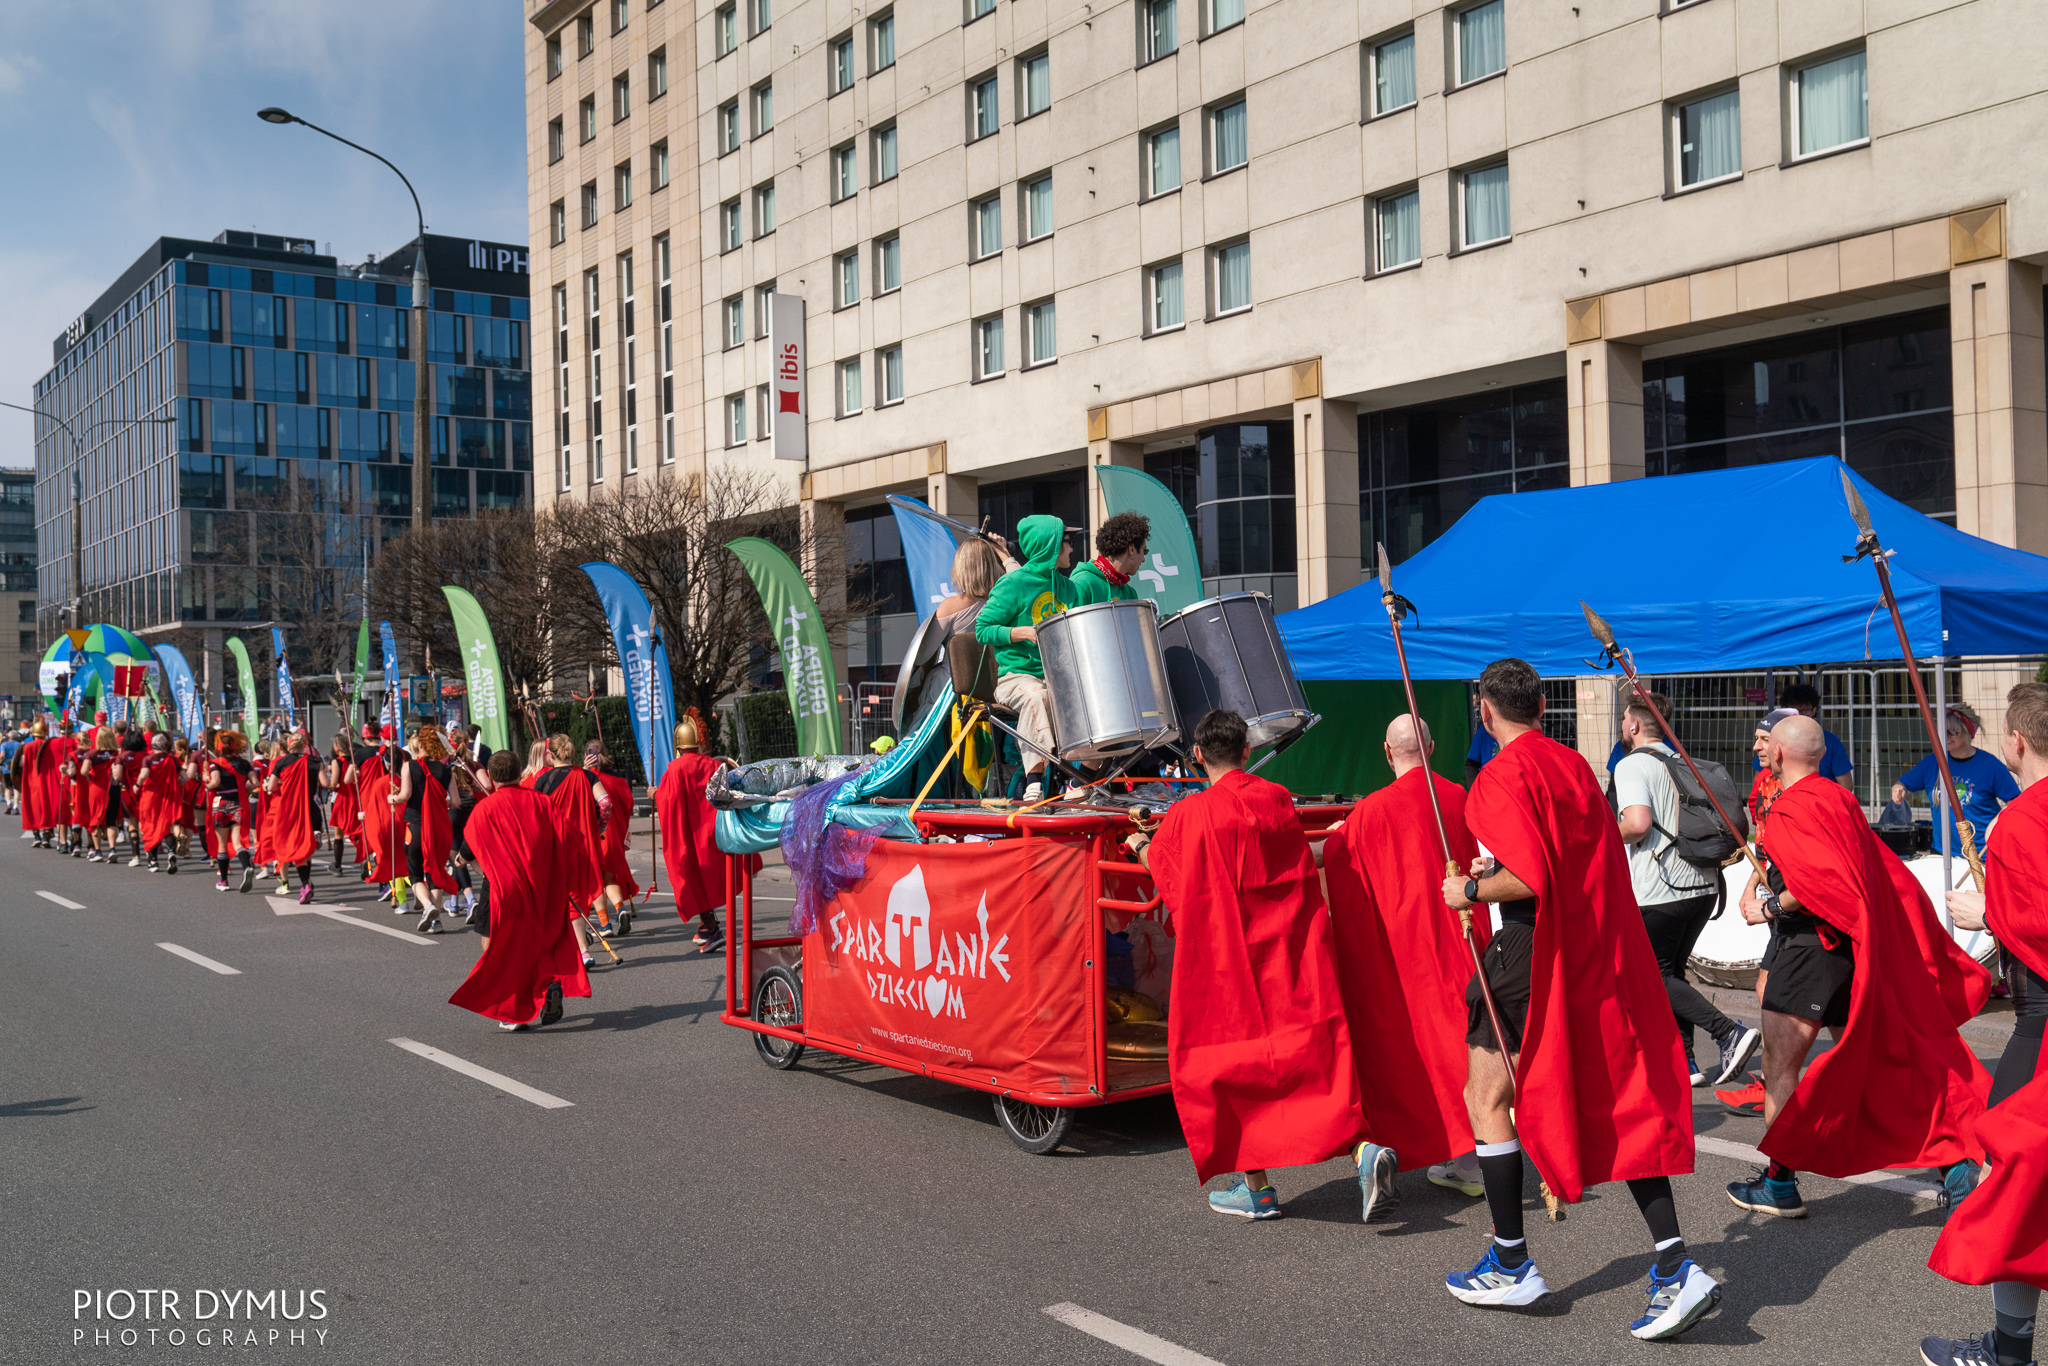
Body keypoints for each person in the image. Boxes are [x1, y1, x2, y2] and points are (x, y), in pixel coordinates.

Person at [1438, 657, 1715, 1341]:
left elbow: (1533, 877)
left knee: (1485, 1096)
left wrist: (1469, 889)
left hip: (1532, 944)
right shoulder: (1575, 766)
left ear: (1485, 712)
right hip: (1591, 941)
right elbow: (1564, 857)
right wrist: (1496, 869)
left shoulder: (1498, 774)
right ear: (1541, 707)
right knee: (1615, 1094)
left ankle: (1511, 1260)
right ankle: (1674, 1263)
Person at [1727, 713, 1991, 1220]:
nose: (1760, 751)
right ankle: (1955, 1167)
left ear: (1779, 753)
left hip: (1809, 948)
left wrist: (1770, 907)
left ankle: (1779, 1183)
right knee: (1876, 1063)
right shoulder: (1840, 797)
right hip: (1852, 950)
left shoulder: (1791, 807)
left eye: (1766, 745)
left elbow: (1817, 883)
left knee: (1779, 1069)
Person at [1127, 708, 1366, 1221]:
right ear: (1247, 751)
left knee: (1228, 1065)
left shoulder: (1189, 814)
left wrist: (1140, 843)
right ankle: (1361, 1149)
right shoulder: (1276, 798)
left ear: (1197, 756)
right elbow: (1298, 861)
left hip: (1225, 963)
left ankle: (1257, 1189)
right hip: (1287, 952)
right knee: (1315, 1055)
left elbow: (1167, 874)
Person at [1920, 683, 2048, 1366]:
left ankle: (2010, 1351)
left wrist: (1989, 911)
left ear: (2015, 743)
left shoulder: (2022, 820)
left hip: (2041, 1028)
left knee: (2012, 1183)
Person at [1322, 715, 1487, 1214]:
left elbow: (1338, 863)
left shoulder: (1371, 810)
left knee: (1421, 1051)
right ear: (1432, 748)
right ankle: (1474, 1159)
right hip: (1464, 936)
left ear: (1387, 752)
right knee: (1468, 1042)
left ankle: (1442, 1152)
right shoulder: (1459, 797)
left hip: (1407, 949)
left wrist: (1337, 838)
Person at [1613, 691, 1761, 1088]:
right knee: (1672, 974)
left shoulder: (1632, 765)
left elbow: (1637, 823)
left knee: (1652, 976)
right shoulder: (1683, 761)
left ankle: (1728, 1032)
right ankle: (1687, 1061)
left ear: (1634, 725)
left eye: (1624, 718)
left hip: (1661, 888)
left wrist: (1604, 832)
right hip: (1705, 886)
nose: (1622, 724)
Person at [447, 749, 591, 1031]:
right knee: (540, 940)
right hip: (541, 884)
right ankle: (547, 984)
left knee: (497, 946)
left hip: (503, 887)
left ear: (491, 777)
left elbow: (470, 844)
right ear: (519, 773)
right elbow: (569, 837)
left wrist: (460, 859)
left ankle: (512, 1010)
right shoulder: (542, 801)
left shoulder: (485, 808)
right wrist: (561, 874)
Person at [973, 514, 1076, 803]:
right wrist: (1021, 633)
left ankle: (1086, 779)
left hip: (1057, 678)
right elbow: (982, 629)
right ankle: (1034, 783)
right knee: (1036, 695)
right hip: (1016, 677)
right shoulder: (1012, 584)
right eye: (1067, 541)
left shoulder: (1070, 588)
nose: (1072, 548)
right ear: (1049, 546)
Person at [656, 710, 750, 952]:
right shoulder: (714, 765)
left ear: (678, 744)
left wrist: (655, 793)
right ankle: (706, 927)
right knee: (706, 879)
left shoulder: (674, 770)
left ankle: (712, 929)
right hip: (715, 833)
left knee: (691, 879)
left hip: (689, 835)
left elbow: (668, 801)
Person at [1893, 703, 2019, 858]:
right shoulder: (1932, 763)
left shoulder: (1990, 766)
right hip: (1942, 851)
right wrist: (1899, 790)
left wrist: (1997, 823)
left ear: (1967, 732)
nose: (1946, 736)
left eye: (1952, 732)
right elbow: (1904, 784)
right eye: (1943, 732)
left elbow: (2015, 802)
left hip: (1981, 853)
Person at [532, 732, 605, 963]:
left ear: (550, 755)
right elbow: (605, 803)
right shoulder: (587, 776)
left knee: (558, 898)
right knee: (577, 895)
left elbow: (535, 815)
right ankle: (578, 946)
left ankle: (581, 950)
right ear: (572, 752)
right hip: (583, 844)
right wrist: (600, 827)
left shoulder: (543, 780)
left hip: (555, 846)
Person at [387, 726, 459, 932]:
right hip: (439, 828)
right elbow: (455, 801)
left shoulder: (410, 766)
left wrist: (392, 798)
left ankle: (428, 907)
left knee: (416, 874)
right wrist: (438, 803)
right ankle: (436, 922)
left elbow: (405, 795)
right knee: (435, 873)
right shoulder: (446, 770)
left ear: (420, 744)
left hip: (416, 826)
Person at [585, 740, 640, 935]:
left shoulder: (586, 779)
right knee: (609, 878)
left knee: (595, 881)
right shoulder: (618, 780)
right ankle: (620, 909)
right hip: (614, 835)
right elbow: (628, 805)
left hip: (595, 835)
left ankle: (604, 923)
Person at [263, 732, 320, 904]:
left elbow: (271, 787)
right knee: (306, 847)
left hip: (290, 810)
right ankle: (306, 882)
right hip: (311, 808)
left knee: (293, 847)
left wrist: (272, 786)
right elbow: (326, 783)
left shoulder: (281, 762)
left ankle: (304, 884)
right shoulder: (314, 761)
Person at [1771, 682, 1855, 789]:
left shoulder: (1831, 742)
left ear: (1814, 711)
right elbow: (1759, 781)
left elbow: (1846, 786)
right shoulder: (1772, 738)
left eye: (1805, 711)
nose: (1799, 716)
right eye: (1794, 711)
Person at [205, 732, 258, 892]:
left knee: (222, 844)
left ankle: (224, 881)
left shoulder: (215, 763)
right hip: (238, 803)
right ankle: (246, 867)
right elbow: (255, 782)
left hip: (221, 804)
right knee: (237, 842)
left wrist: (206, 784)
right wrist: (245, 790)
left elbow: (215, 781)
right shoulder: (244, 763)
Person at [1070, 512, 1149, 605]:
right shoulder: (1082, 583)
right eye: (1144, 551)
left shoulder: (1131, 593)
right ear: (1131, 549)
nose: (1143, 559)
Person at [133, 733, 184, 874]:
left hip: (151, 798)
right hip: (169, 797)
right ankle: (171, 852)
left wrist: (137, 785)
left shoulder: (148, 759)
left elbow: (144, 775)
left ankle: (153, 862)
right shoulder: (172, 758)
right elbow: (185, 777)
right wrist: (175, 784)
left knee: (150, 827)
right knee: (167, 826)